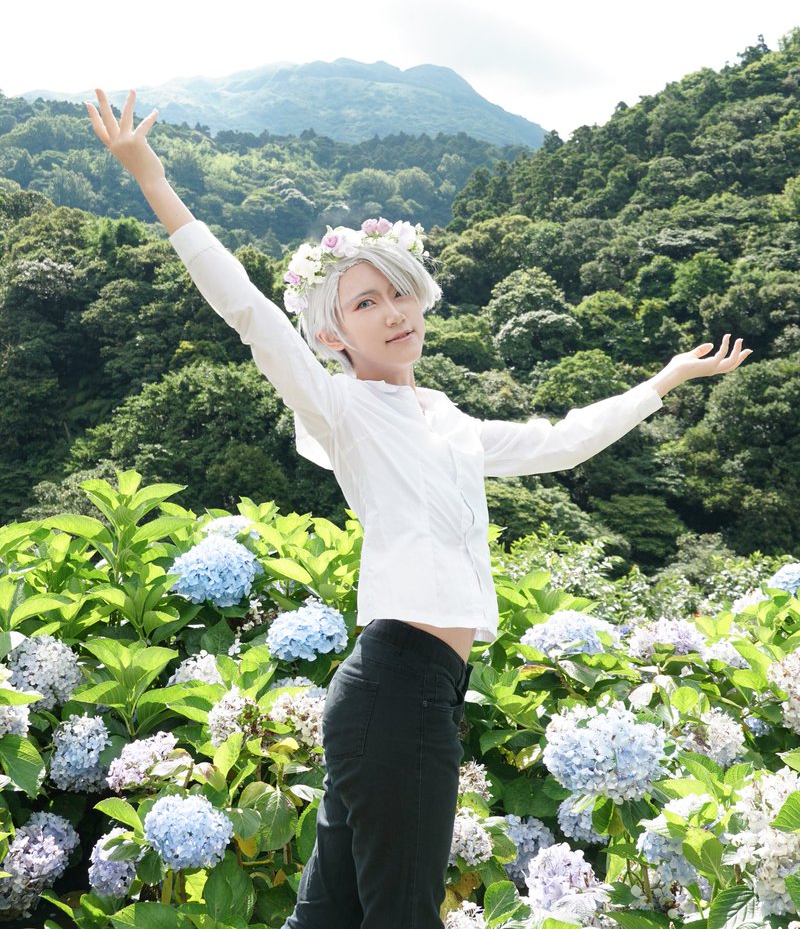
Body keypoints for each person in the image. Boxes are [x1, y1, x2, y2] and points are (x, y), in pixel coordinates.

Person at [86, 88, 753, 928]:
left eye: (397, 293)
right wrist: (149, 175)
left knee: (327, 920)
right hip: (396, 690)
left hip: (414, 692)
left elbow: (561, 442)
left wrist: (664, 381)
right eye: (364, 304)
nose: (393, 313)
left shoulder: (447, 420)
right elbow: (248, 310)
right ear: (333, 335)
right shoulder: (341, 409)